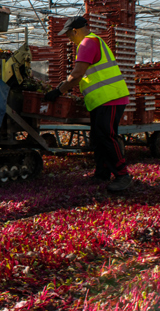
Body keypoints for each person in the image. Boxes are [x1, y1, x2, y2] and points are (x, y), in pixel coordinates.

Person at [43, 16, 132, 193]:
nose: (68, 38)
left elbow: (77, 74)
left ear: (74, 31)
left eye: (68, 34)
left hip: (110, 98)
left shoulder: (86, 43)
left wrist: (59, 91)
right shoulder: (92, 42)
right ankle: (101, 174)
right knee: (99, 138)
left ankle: (123, 176)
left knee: (107, 136)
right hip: (101, 100)